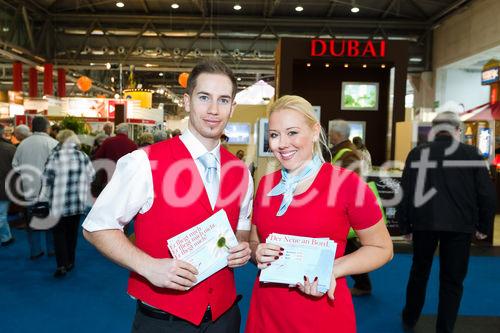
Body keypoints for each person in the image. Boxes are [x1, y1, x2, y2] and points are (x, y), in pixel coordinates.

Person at [83, 58, 253, 333]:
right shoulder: (143, 162)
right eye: (204, 97)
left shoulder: (241, 172)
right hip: (164, 321)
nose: (213, 109)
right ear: (187, 102)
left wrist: (241, 249)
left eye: (223, 100)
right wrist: (149, 267)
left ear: (232, 107)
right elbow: (96, 227)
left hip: (225, 317)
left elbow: (241, 230)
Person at [246, 95, 393, 333]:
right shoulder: (265, 184)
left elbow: (382, 248)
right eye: (274, 135)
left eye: (292, 132)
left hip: (321, 313)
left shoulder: (346, 184)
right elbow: (255, 240)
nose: (282, 143)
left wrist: (333, 270)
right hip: (267, 313)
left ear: (315, 132)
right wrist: (256, 252)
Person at [397, 111, 496, 333]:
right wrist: (483, 227)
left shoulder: (418, 153)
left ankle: (409, 318)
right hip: (460, 226)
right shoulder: (471, 154)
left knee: (419, 272)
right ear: (457, 131)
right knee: (452, 281)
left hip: (423, 223)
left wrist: (404, 225)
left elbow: (405, 191)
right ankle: (444, 328)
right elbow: (487, 195)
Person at [38, 130, 95, 277]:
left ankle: (61, 265)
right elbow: (92, 176)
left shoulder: (55, 156)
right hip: (76, 202)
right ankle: (71, 261)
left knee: (59, 234)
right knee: (72, 233)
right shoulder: (83, 156)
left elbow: (46, 179)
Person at [328, 120, 372, 296]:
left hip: (341, 209)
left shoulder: (347, 155)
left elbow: (348, 184)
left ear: (337, 134)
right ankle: (362, 283)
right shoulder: (344, 152)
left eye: (331, 132)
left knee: (348, 247)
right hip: (339, 207)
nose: (329, 135)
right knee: (348, 246)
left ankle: (363, 284)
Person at [12, 116, 57, 260]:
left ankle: (35, 251)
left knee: (32, 223)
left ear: (32, 127)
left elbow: (15, 166)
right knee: (51, 222)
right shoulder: (54, 143)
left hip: (29, 189)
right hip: (50, 192)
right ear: (47, 128)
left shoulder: (23, 144)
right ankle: (52, 250)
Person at [0, 124, 16, 246]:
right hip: (5, 188)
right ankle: (6, 237)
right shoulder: (10, 148)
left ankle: (6, 237)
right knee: (2, 215)